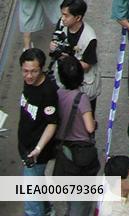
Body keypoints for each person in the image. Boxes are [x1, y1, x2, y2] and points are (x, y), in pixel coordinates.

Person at [18, 47, 59, 216]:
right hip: (25, 146)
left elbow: (52, 123)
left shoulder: (48, 92)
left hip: (35, 154)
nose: (28, 75)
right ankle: (48, 209)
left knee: (31, 202)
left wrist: (38, 149)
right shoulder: (28, 83)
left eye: (33, 71)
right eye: (25, 71)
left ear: (41, 69)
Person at [53, 55, 98, 201]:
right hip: (81, 150)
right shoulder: (82, 98)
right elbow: (90, 128)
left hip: (63, 148)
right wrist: (94, 122)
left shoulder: (57, 95)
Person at [49, 0, 100, 111]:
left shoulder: (89, 38)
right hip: (62, 81)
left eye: (66, 15)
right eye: (62, 14)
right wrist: (53, 47)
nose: (62, 18)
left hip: (83, 85)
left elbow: (87, 65)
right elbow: (55, 40)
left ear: (78, 18)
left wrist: (68, 60)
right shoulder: (62, 25)